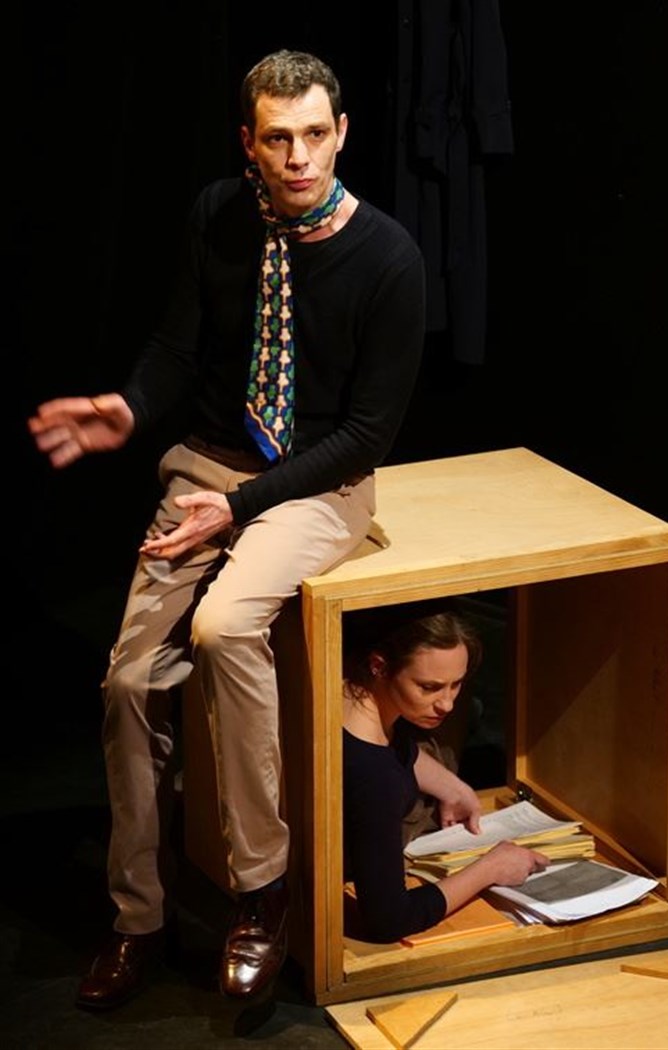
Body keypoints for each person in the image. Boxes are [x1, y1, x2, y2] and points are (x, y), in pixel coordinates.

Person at [27, 49, 426, 1009]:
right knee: (128, 682)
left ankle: (261, 891)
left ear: (342, 134)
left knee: (223, 625)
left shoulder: (389, 258)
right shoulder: (218, 215)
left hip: (321, 483)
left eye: (316, 135)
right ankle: (139, 917)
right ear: (249, 142)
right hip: (210, 464)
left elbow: (368, 433)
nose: (299, 158)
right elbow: (178, 345)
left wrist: (242, 508)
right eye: (278, 139)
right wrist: (130, 407)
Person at [342, 603, 550, 943]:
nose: (447, 703)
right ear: (379, 666)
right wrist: (490, 868)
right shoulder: (373, 776)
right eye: (429, 687)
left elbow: (395, 748)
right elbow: (389, 920)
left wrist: (452, 787)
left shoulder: (348, 692)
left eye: (457, 685)